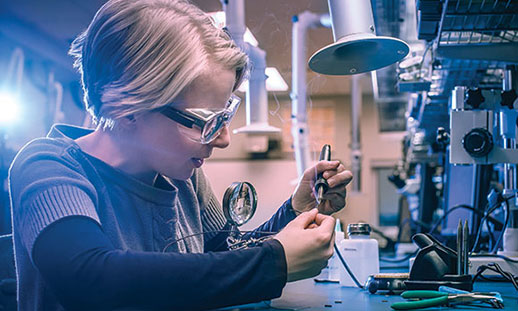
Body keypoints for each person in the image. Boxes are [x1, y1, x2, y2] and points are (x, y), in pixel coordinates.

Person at [8, 0, 353, 310]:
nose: (224, 140)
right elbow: (90, 280)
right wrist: (273, 263)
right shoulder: (49, 167)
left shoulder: (182, 176)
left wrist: (295, 211)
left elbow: (225, 257)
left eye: (226, 117)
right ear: (128, 107)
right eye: (206, 121)